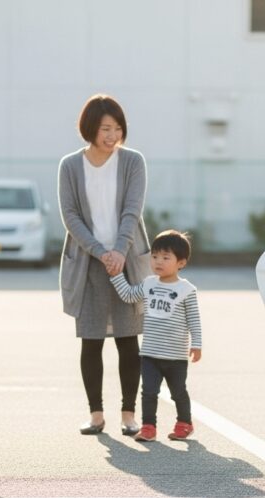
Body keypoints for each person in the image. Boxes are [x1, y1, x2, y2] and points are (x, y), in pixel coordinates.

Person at [59, 94, 151, 436]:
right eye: (104, 129)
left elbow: (132, 210)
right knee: (91, 339)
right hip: (88, 262)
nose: (112, 135)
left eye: (117, 128)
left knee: (128, 339)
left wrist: (119, 251)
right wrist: (101, 251)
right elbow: (70, 215)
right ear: (89, 129)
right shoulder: (70, 165)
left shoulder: (133, 161)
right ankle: (96, 415)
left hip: (126, 259)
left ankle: (129, 415)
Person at [108, 230, 202, 442]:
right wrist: (116, 276)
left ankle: (184, 423)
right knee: (148, 392)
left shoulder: (187, 290)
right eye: (155, 256)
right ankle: (149, 427)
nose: (158, 262)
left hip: (176, 356)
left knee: (178, 392)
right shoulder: (149, 284)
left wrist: (196, 344)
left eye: (166, 258)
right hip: (150, 354)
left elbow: (194, 321)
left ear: (181, 263)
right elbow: (129, 295)